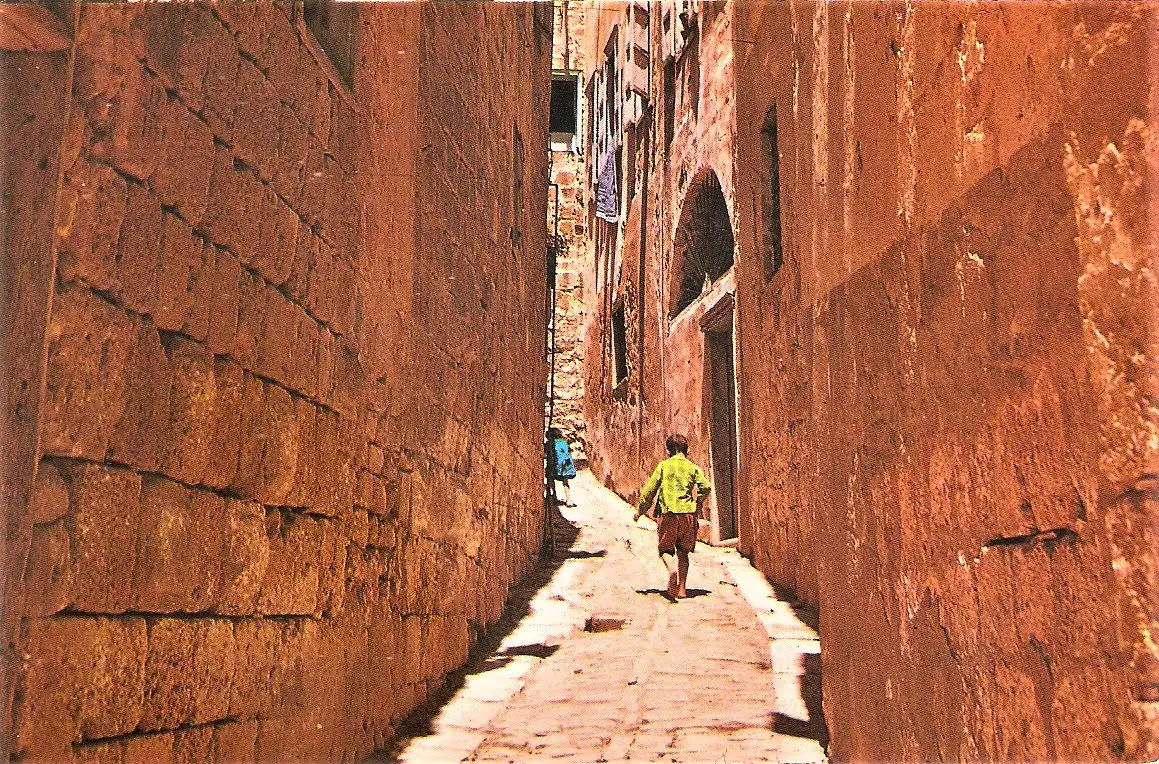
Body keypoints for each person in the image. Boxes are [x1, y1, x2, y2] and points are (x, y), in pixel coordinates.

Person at [634, 434, 710, 601]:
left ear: (668, 451)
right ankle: (682, 589)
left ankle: (671, 571)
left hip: (668, 514)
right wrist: (697, 504)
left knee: (665, 549)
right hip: (688, 516)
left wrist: (640, 511)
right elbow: (706, 487)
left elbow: (649, 491)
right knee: (683, 552)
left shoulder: (663, 466)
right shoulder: (693, 468)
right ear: (686, 450)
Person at [547, 427, 577, 507]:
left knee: (550, 479)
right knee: (565, 482)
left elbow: (549, 453)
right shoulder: (564, 442)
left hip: (556, 463)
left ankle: (553, 497)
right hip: (566, 464)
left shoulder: (550, 443)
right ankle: (569, 500)